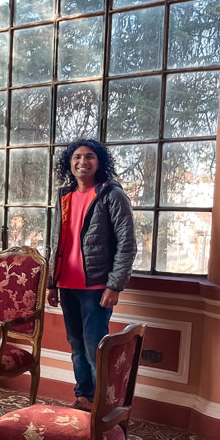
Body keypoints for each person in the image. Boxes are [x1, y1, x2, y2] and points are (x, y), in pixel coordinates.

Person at [47, 139, 135, 411]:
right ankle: (83, 398)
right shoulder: (64, 196)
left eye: (89, 157)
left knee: (95, 348)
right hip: (66, 285)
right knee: (76, 346)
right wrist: (52, 283)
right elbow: (55, 242)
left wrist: (114, 285)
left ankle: (103, 408)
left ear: (99, 163)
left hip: (96, 287)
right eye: (77, 157)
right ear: (69, 163)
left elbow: (127, 243)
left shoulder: (111, 195)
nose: (82, 162)